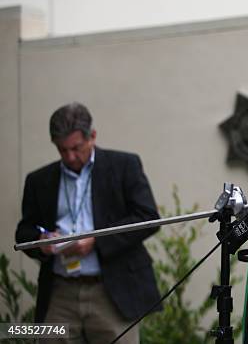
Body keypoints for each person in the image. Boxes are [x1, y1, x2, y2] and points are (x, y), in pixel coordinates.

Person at [15, 103, 161, 344]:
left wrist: (95, 241)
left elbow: (148, 218)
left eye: (76, 148)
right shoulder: (39, 180)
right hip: (60, 291)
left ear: (92, 136)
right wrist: (41, 242)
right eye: (62, 150)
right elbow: (24, 231)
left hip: (111, 290)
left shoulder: (124, 165)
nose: (70, 157)